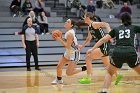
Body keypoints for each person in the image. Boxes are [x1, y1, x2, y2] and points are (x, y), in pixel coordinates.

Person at [88, 12, 140, 93]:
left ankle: (104, 90)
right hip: (130, 52)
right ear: (130, 19)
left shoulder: (116, 29)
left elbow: (103, 39)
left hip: (117, 52)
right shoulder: (134, 28)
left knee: (109, 72)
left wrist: (92, 49)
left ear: (121, 20)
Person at [77, 12, 113, 83]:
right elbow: (88, 38)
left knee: (88, 58)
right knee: (107, 65)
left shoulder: (94, 24)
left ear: (87, 17)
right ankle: (118, 75)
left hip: (104, 46)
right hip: (101, 46)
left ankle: (88, 78)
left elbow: (106, 24)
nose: (83, 18)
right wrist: (82, 46)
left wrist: (110, 35)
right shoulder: (89, 27)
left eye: (84, 17)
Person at [51, 19, 87, 84]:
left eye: (68, 22)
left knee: (69, 73)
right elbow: (70, 42)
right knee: (59, 67)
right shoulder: (70, 31)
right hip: (68, 51)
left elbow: (67, 46)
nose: (66, 22)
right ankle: (59, 80)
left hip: (74, 53)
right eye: (66, 21)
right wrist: (61, 38)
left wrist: (60, 40)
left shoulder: (70, 33)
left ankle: (84, 67)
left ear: (71, 25)